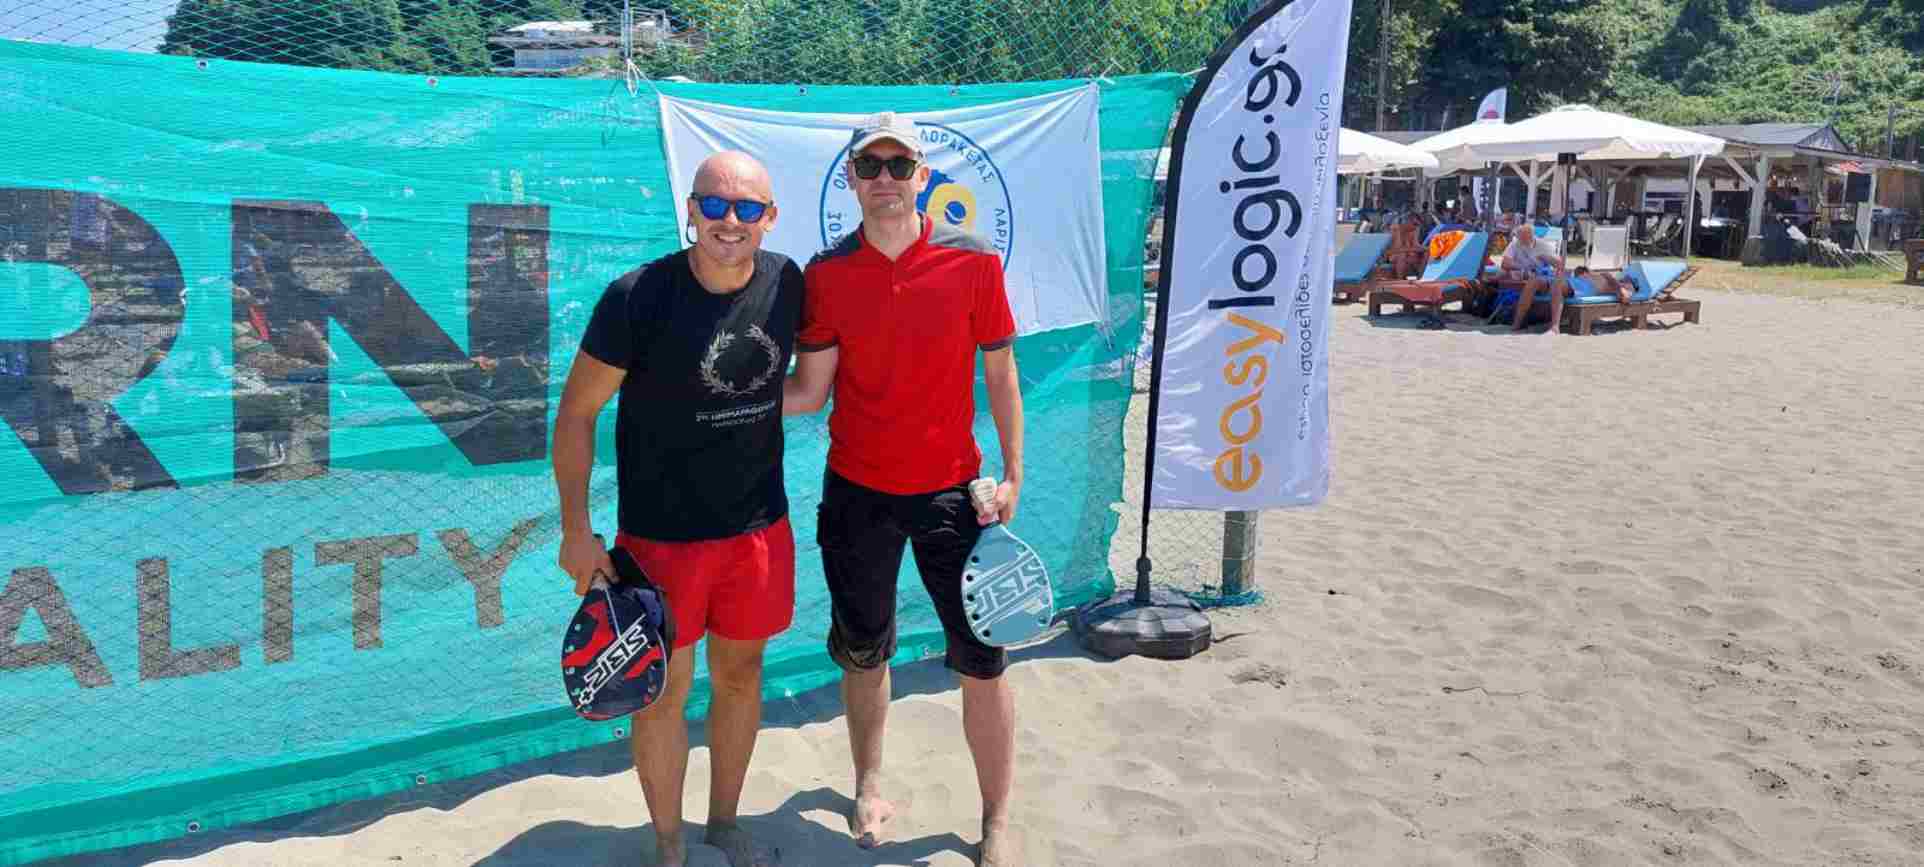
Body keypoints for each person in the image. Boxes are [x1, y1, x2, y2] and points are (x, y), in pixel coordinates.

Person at [783, 111, 1027, 867]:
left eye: (899, 165)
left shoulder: (973, 260)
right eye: (870, 166)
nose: (884, 179)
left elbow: (1001, 374)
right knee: (863, 652)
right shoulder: (826, 274)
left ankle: (995, 821)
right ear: (852, 179)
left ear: (923, 175)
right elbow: (809, 392)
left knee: (982, 661)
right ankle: (868, 785)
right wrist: (714, 396)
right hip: (857, 493)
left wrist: (1013, 474)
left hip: (954, 495)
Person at [553, 151, 797, 867]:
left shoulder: (788, 282)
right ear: (690, 211)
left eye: (746, 208)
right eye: (714, 205)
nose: (729, 221)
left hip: (758, 529)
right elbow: (576, 414)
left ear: (770, 217)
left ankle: (723, 823)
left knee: (741, 676)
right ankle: (669, 844)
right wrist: (576, 531)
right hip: (660, 540)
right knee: (663, 692)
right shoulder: (637, 297)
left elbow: (820, 369)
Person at [1500, 224, 1562, 331]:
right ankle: (1517, 321)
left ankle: (1518, 323)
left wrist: (1547, 258)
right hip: (1522, 276)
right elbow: (1505, 264)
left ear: (1531, 236)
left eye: (1524, 237)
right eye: (1520, 237)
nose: (1521, 240)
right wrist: (1522, 267)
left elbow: (1559, 264)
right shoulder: (1515, 244)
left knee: (1535, 282)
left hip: (1540, 278)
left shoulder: (1543, 245)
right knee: (1503, 276)